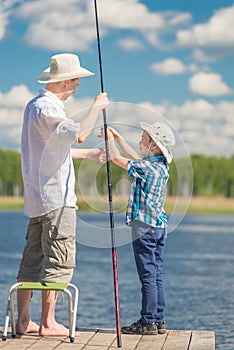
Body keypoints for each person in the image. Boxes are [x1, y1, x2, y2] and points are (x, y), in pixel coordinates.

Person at [16, 53, 109, 337]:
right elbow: (79, 133)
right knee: (59, 260)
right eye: (77, 84)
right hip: (57, 200)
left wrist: (89, 154)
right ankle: (48, 323)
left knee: (32, 261)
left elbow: (53, 149)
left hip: (37, 200)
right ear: (66, 81)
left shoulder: (34, 106)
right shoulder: (51, 108)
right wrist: (97, 106)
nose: (77, 89)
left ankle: (22, 321)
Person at [99, 122, 175, 335]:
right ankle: (158, 320)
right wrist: (118, 137)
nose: (140, 141)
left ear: (154, 145)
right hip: (159, 227)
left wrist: (109, 140)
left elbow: (116, 159)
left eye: (143, 138)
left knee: (148, 276)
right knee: (156, 274)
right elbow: (134, 159)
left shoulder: (148, 167)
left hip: (145, 228)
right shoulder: (159, 166)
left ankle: (148, 321)